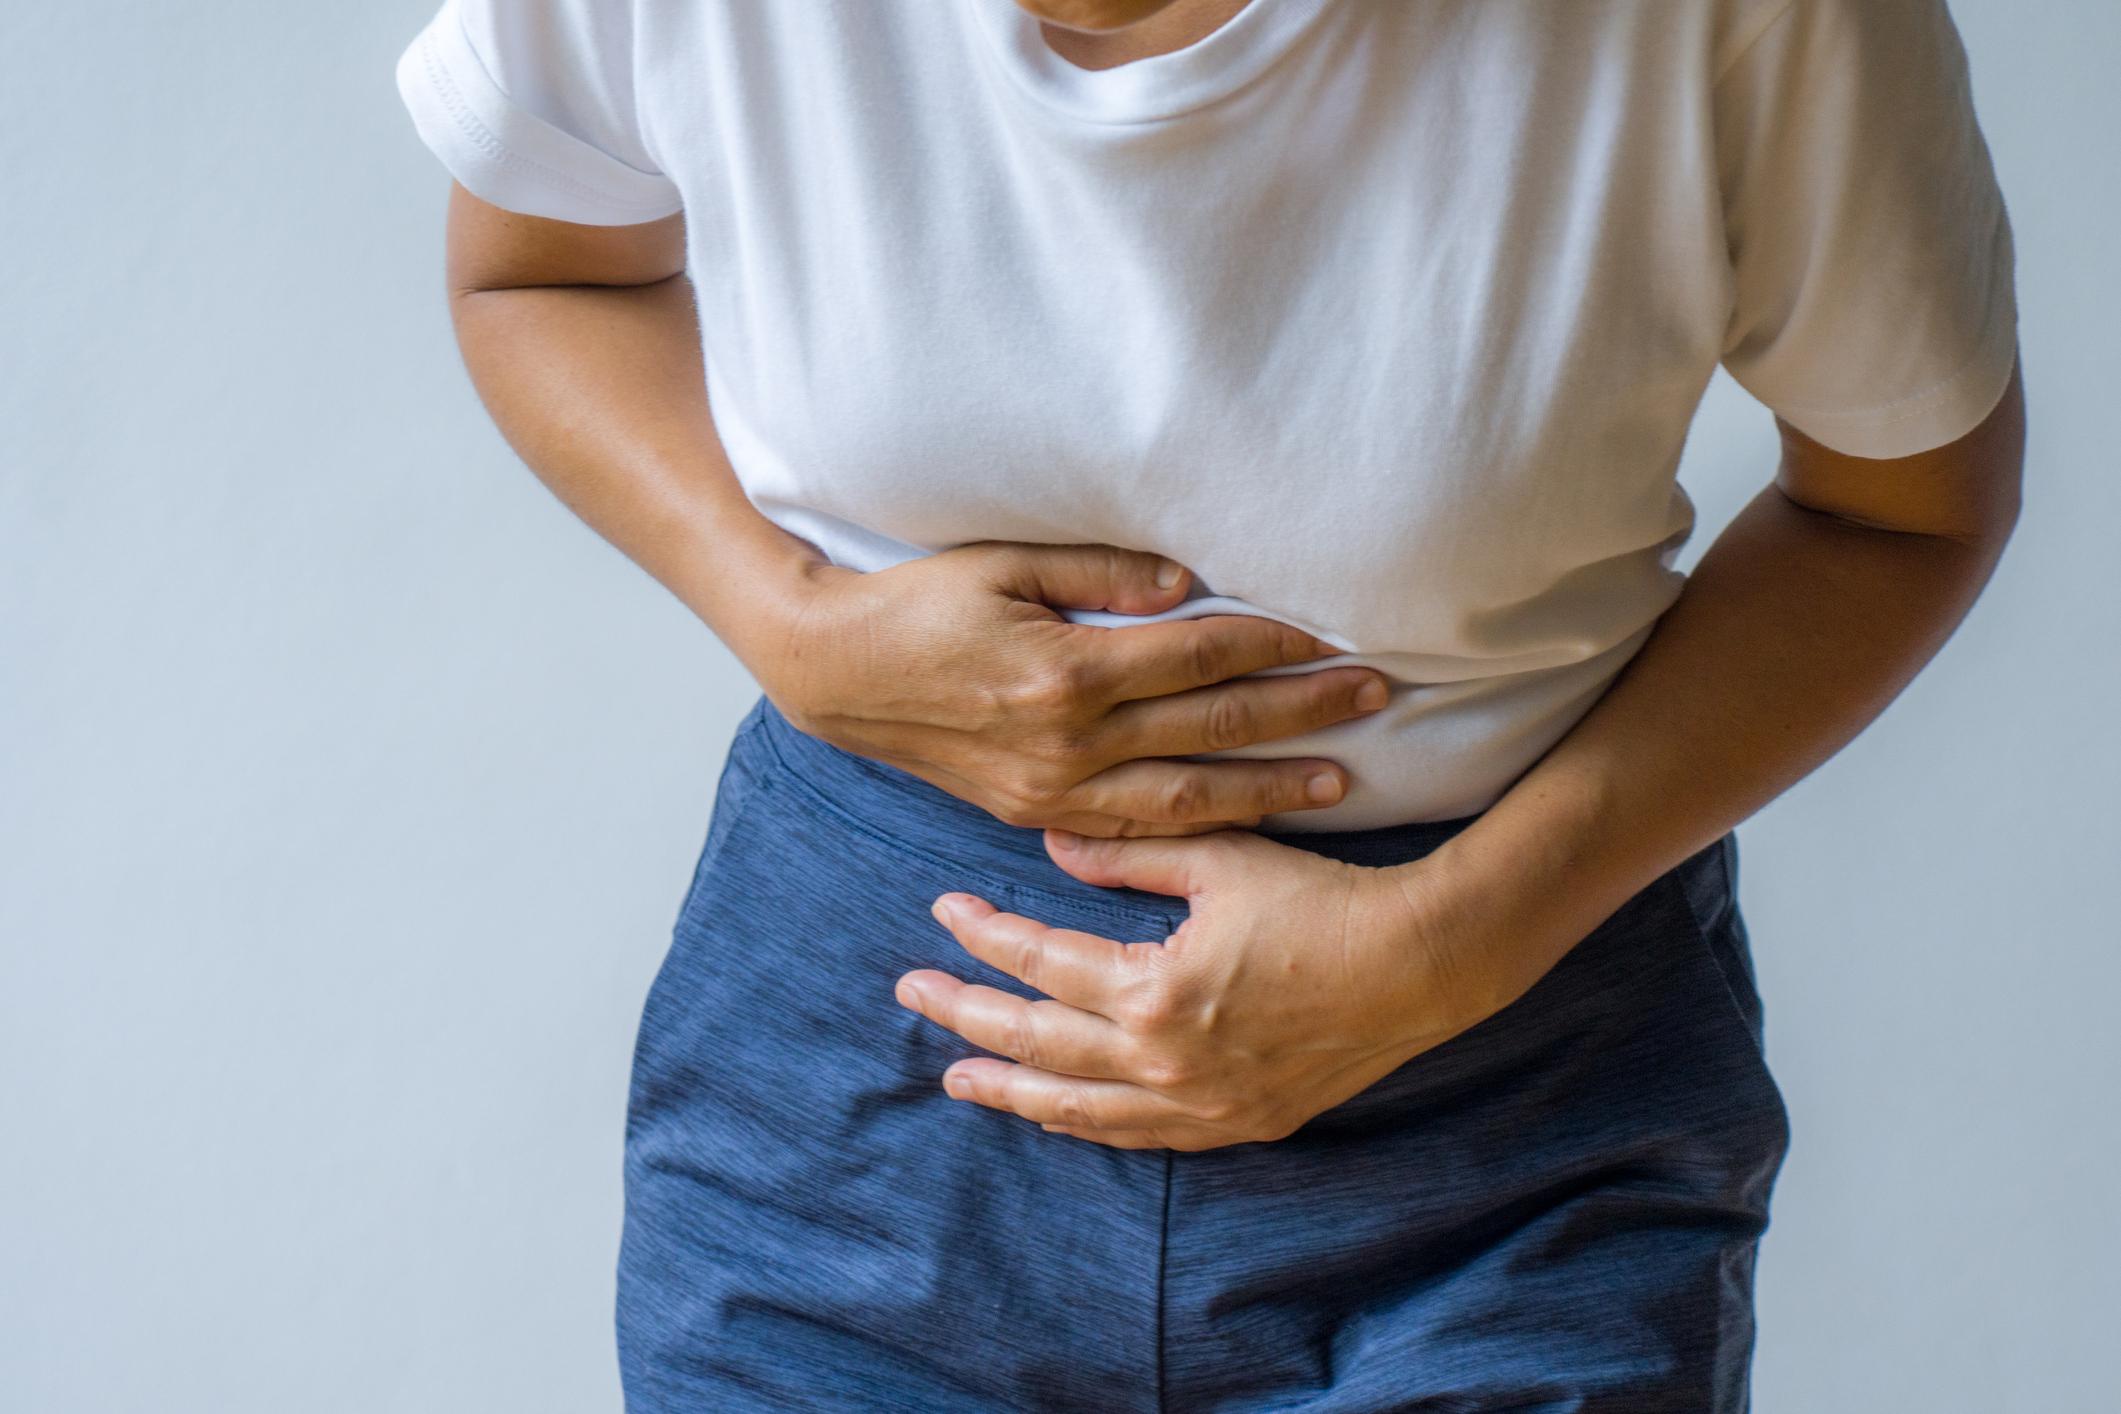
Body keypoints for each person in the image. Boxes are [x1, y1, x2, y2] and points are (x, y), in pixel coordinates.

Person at [393, 0, 2026, 1407]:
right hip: (853, 1083)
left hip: (1506, 1120)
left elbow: (1897, 506)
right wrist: (789, 620)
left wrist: (1455, 936)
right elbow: (544, 271)